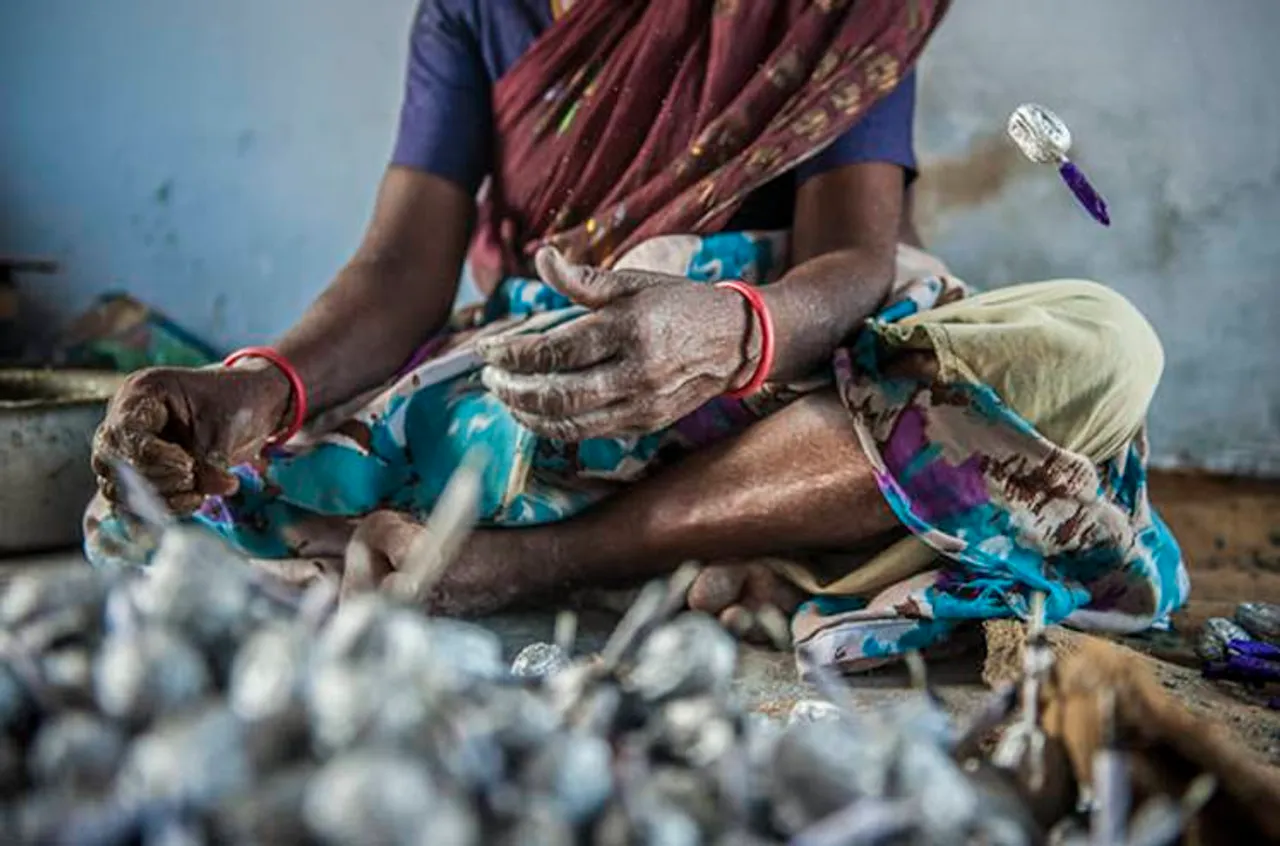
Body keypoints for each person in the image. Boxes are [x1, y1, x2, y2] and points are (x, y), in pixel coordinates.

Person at [86, 0, 1189, 673]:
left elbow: (853, 261)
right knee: (178, 496)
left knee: (1097, 345)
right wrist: (260, 390)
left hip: (787, 371)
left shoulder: (828, 9)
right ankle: (735, 551)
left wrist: (731, 330)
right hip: (552, 389)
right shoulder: (473, 8)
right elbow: (399, 270)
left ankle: (535, 565)